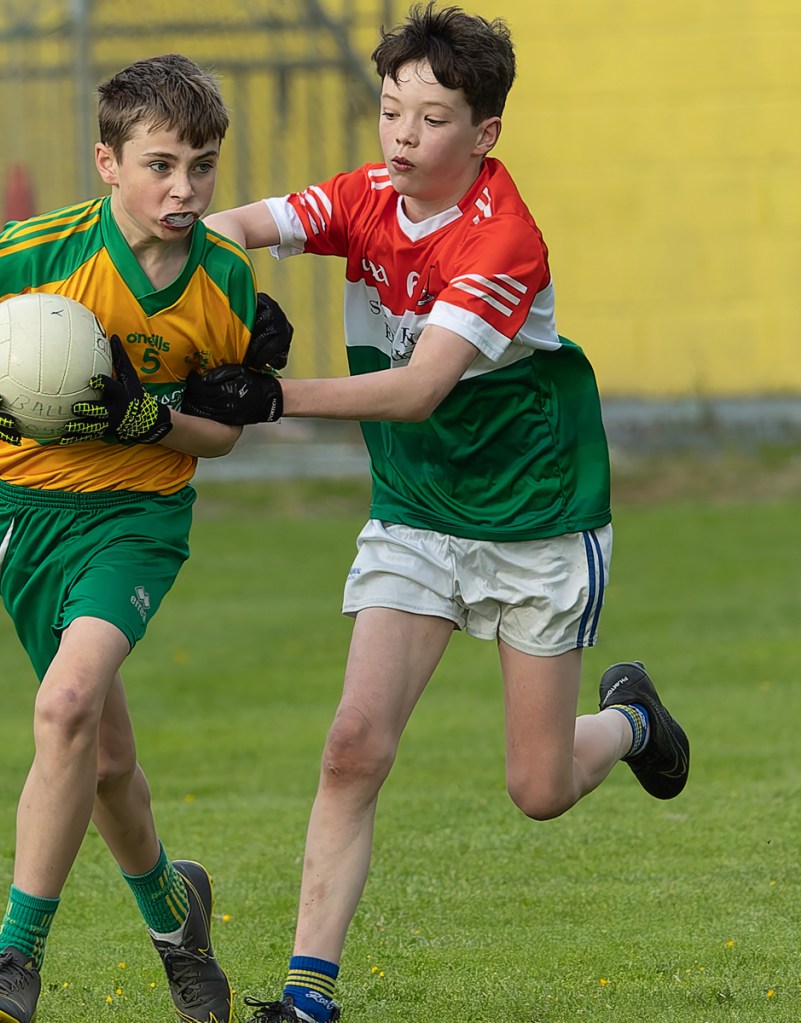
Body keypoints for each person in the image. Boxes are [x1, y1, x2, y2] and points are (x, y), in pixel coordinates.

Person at [182, 6, 690, 1021]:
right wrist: (231, 294)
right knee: (351, 746)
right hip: (416, 511)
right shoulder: (366, 196)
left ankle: (631, 721)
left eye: (431, 118)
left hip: (535, 520)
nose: (402, 136)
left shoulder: (502, 240)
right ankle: (307, 998)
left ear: (483, 133)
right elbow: (225, 228)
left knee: (538, 789)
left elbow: (417, 390)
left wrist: (271, 396)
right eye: (389, 111)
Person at [0, 53, 290, 1023]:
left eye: (201, 167)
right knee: (105, 759)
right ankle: (174, 919)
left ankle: (13, 958)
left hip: (137, 519)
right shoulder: (42, 252)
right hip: (25, 518)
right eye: (160, 165)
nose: (184, 189)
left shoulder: (222, 280)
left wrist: (145, 419)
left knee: (67, 701)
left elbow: (219, 436)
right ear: (108, 163)